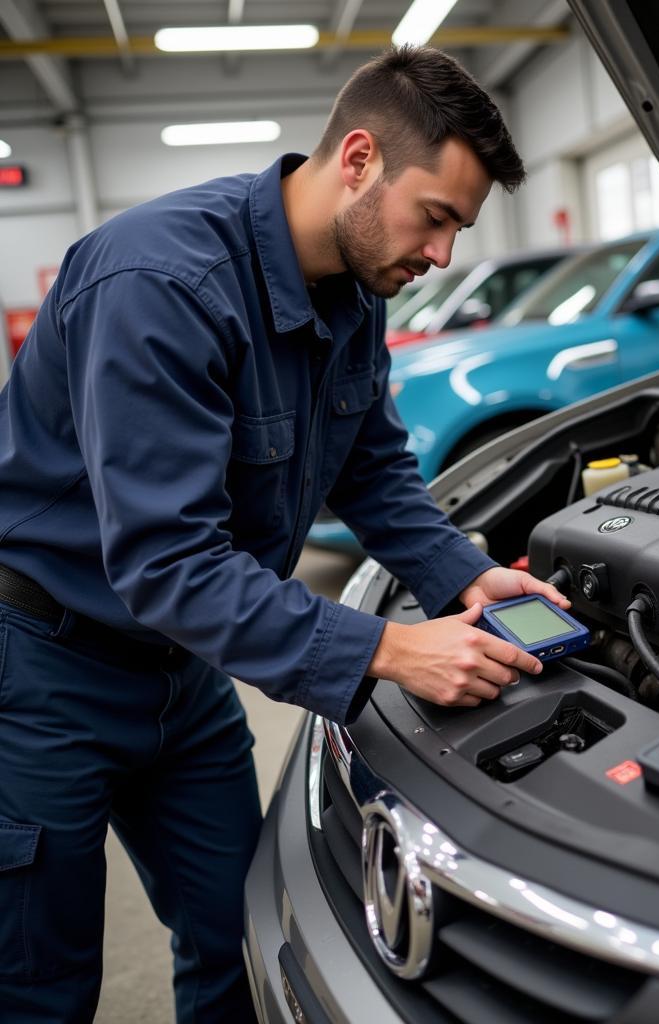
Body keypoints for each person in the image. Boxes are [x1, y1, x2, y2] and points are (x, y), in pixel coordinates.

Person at [0, 45, 568, 1023]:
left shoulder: (353, 292)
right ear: (357, 159)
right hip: (44, 675)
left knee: (237, 927)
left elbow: (373, 467)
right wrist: (390, 648)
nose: (441, 256)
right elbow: (167, 561)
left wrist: (464, 577)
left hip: (183, 674)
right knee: (41, 986)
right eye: (434, 217)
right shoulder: (159, 285)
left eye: (458, 230)